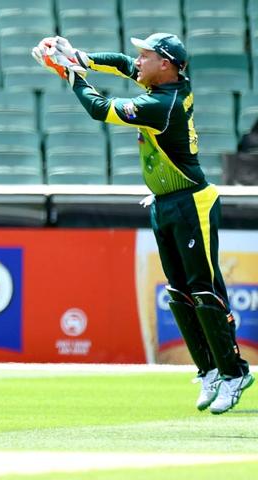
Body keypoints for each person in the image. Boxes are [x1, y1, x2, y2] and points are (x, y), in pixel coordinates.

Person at [32, 33, 253, 414]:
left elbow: (100, 109)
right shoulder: (163, 81)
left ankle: (233, 372)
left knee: (203, 291)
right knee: (178, 292)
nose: (138, 61)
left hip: (192, 202)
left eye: (146, 56)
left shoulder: (161, 103)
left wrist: (71, 74)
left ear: (164, 63)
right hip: (166, 201)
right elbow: (119, 62)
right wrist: (78, 55)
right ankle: (209, 370)